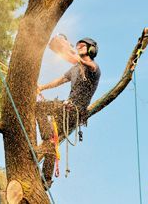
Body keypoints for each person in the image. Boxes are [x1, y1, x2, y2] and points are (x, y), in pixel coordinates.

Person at [36, 37, 101, 188]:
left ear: (91, 49)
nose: (79, 47)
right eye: (77, 46)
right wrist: (42, 87)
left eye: (82, 46)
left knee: (39, 108)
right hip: (65, 109)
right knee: (51, 142)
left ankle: (47, 137)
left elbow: (87, 64)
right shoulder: (74, 69)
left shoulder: (93, 68)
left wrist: (67, 48)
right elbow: (59, 80)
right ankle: (46, 179)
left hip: (74, 111)